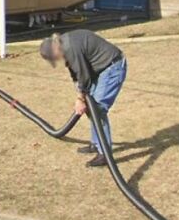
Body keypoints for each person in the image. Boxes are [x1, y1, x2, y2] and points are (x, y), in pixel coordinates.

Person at [39, 27, 127, 167]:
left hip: (112, 67)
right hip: (100, 69)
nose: (56, 59)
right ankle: (96, 144)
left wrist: (80, 98)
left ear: (54, 48)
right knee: (91, 107)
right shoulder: (64, 43)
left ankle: (104, 154)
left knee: (98, 110)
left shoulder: (70, 47)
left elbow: (84, 76)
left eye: (53, 57)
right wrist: (80, 96)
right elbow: (76, 74)